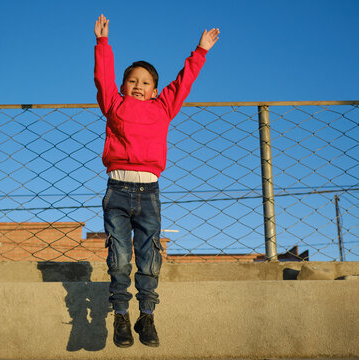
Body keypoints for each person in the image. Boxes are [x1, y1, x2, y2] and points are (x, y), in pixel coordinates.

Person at [93, 13, 219, 348]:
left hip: (149, 193)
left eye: (145, 82)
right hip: (117, 191)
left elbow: (184, 81)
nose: (138, 85)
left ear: (155, 90)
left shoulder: (164, 107)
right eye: (132, 80)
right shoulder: (113, 104)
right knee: (119, 256)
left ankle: (146, 316)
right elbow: (102, 78)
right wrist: (103, 44)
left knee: (149, 255)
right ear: (122, 87)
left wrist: (201, 50)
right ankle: (120, 314)